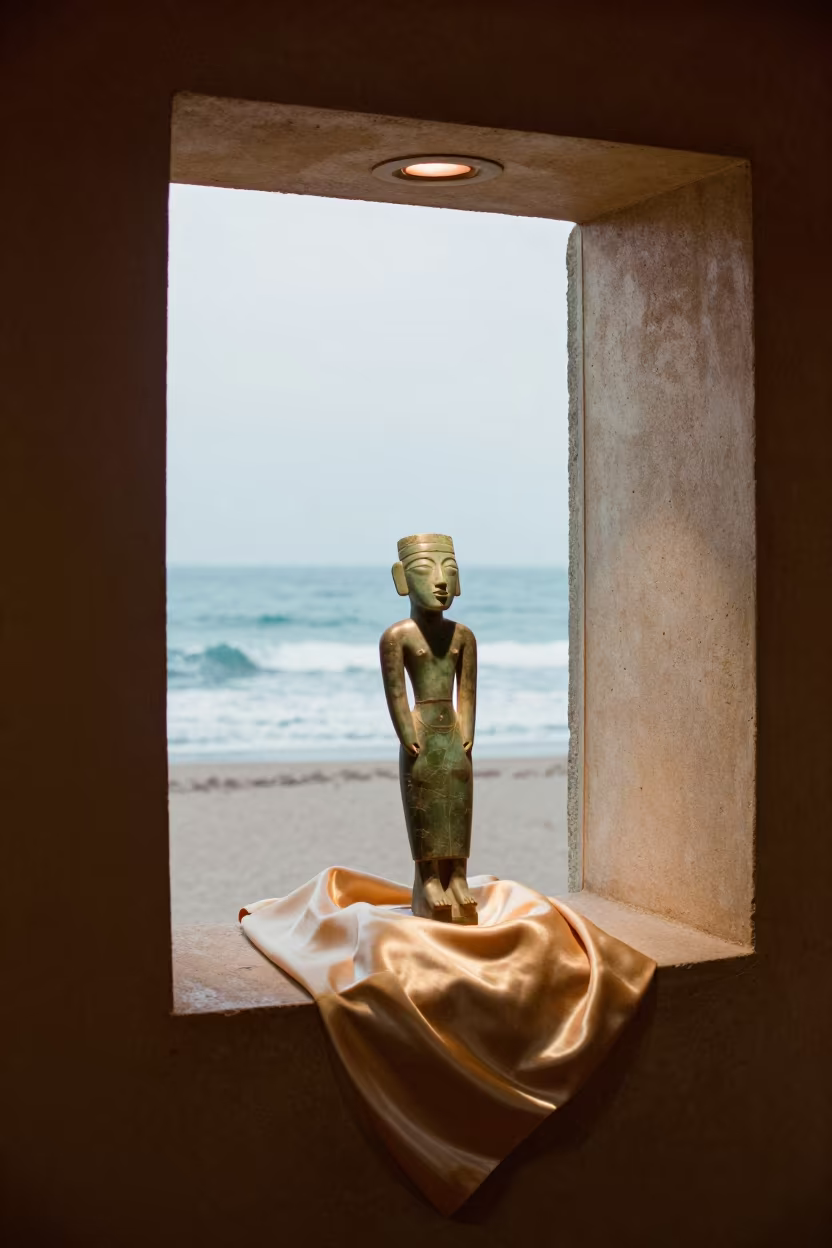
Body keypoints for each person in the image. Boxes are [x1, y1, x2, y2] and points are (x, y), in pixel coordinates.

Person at [379, 534, 478, 924]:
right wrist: (406, 731)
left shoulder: (463, 636)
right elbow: (396, 693)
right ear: (402, 579)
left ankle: (458, 877)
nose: (440, 580)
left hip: (453, 731)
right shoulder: (397, 637)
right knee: (424, 805)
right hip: (421, 729)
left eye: (449, 571)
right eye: (426, 570)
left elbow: (467, 692)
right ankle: (427, 881)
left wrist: (468, 728)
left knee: (457, 802)